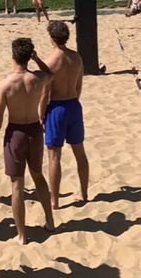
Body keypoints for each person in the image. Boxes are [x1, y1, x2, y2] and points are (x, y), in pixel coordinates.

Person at [0, 37, 54, 243]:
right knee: (38, 176)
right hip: (35, 130)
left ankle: (22, 234)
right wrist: (37, 59)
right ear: (28, 56)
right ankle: (50, 221)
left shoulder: (5, 84)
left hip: (15, 131)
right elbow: (50, 74)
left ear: (13, 55)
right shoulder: (37, 79)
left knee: (17, 185)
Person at [43, 20, 89, 209]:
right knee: (79, 151)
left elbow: (45, 94)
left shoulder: (49, 62)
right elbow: (79, 86)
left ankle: (54, 200)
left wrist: (41, 113)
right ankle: (84, 192)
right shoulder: (76, 57)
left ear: (52, 38)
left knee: (54, 157)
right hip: (73, 104)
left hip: (56, 107)